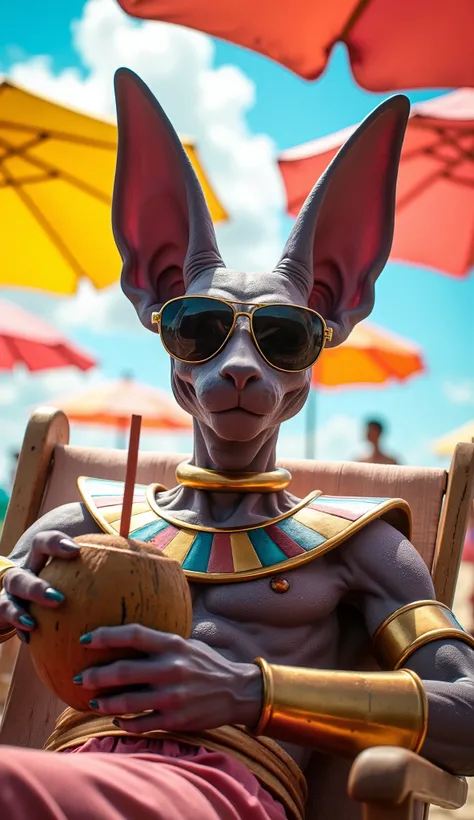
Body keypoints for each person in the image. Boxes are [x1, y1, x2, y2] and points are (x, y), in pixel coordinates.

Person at [0, 69, 473, 820]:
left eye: (284, 338)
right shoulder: (81, 528)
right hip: (71, 775)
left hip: (219, 791)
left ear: (334, 309)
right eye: (200, 328)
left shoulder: (362, 545)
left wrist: (250, 692)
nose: (242, 366)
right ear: (155, 306)